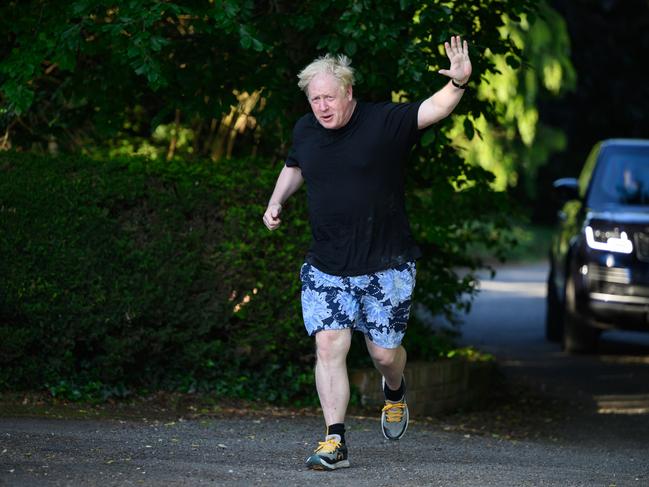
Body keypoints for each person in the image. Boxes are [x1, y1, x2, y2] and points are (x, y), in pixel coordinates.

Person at [262, 35, 472, 471]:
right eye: (314, 98)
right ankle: (333, 440)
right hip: (327, 264)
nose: (321, 106)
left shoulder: (383, 122)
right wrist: (276, 200)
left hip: (386, 263)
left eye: (328, 97)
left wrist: (458, 85)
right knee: (329, 346)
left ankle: (393, 391)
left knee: (382, 354)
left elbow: (432, 109)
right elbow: (295, 164)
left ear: (349, 92)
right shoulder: (306, 130)